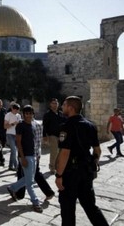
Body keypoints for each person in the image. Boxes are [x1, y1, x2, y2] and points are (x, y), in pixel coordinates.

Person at [55, 96, 109, 226]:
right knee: (91, 207)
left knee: (68, 210)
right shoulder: (90, 125)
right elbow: (97, 151)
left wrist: (59, 175)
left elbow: (65, 153)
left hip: (70, 174)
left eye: (64, 105)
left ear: (71, 108)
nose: (62, 107)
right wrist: (92, 163)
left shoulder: (66, 126)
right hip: (86, 172)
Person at [7, 105, 43, 213]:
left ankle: (13, 188)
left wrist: (37, 154)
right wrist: (22, 157)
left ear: (33, 114)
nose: (28, 115)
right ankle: (35, 202)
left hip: (33, 155)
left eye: (30, 113)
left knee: (30, 179)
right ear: (23, 114)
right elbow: (18, 142)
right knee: (29, 183)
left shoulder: (32, 125)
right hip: (25, 155)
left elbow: (34, 141)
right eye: (26, 113)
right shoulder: (21, 125)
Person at [15, 118, 55, 201]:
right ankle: (19, 193)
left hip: (28, 153)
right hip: (35, 152)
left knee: (28, 173)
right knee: (30, 172)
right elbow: (39, 140)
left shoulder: (26, 124)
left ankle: (19, 194)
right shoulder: (39, 124)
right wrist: (38, 153)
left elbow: (31, 140)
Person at [43, 98, 66, 173]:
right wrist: (45, 136)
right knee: (54, 151)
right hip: (52, 135)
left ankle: (57, 166)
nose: (55, 105)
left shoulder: (61, 114)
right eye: (53, 103)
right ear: (50, 104)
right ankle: (52, 167)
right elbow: (45, 126)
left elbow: (65, 123)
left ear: (58, 104)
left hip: (61, 135)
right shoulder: (47, 115)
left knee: (60, 151)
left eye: (56, 103)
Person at [4, 103, 21, 171]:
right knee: (14, 150)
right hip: (10, 134)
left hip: (17, 134)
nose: (16, 111)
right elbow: (5, 126)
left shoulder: (19, 115)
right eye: (15, 110)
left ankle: (10, 165)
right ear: (12, 109)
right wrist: (13, 123)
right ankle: (16, 166)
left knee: (14, 151)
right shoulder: (8, 115)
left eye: (18, 110)